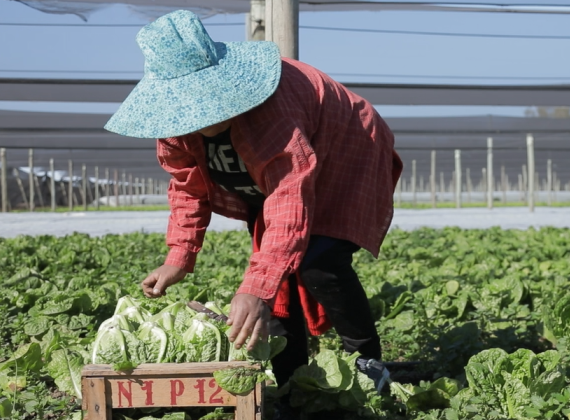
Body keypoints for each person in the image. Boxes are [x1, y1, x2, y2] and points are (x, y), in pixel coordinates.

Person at [105, 9, 402, 418]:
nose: (202, 113)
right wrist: (179, 256)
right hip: (274, 183)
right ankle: (291, 378)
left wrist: (255, 287)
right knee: (279, 276)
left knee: (318, 260)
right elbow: (188, 188)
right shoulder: (173, 127)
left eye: (208, 99)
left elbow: (288, 197)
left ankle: (369, 363)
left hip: (345, 152)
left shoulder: (271, 113)